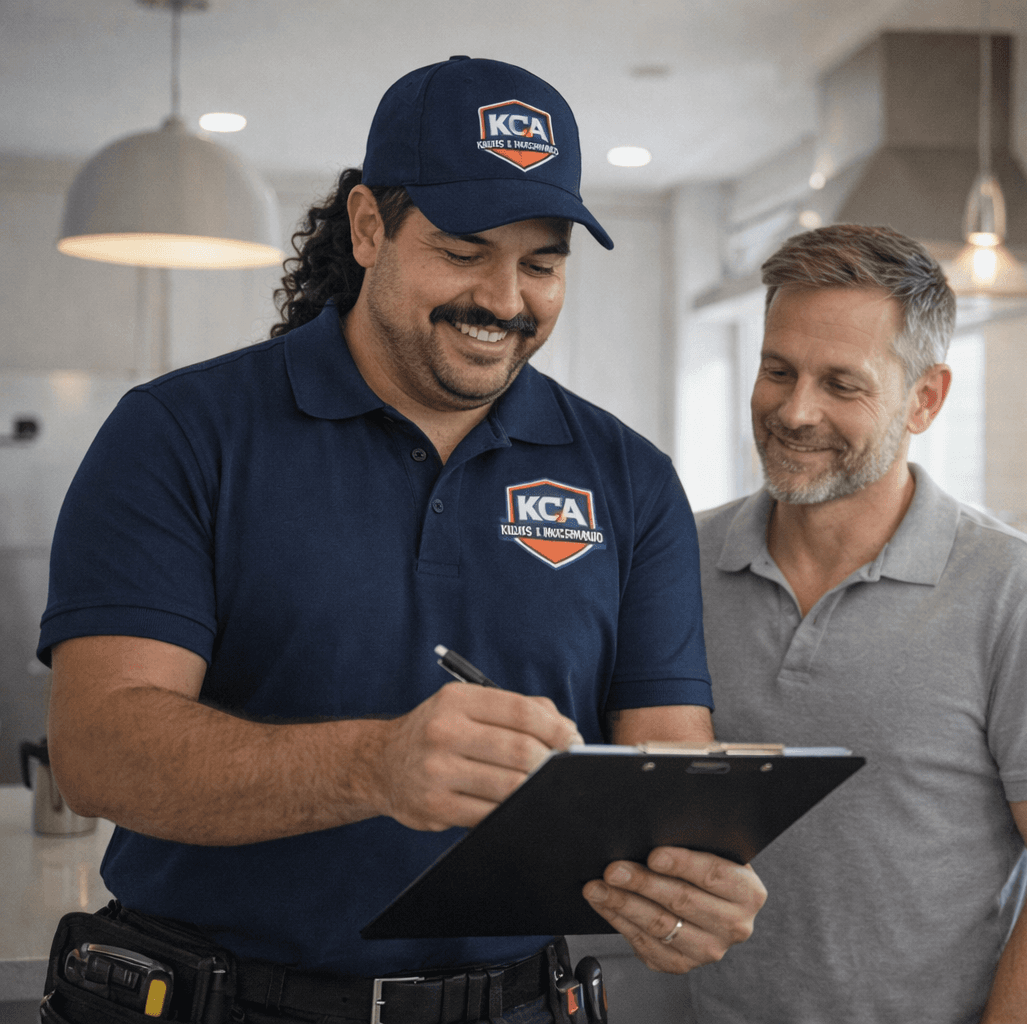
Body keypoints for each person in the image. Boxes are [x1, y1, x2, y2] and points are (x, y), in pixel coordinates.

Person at [39, 56, 763, 1024]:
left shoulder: (628, 476)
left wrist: (690, 883)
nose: (506, 299)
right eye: (465, 250)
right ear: (370, 226)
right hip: (211, 999)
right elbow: (95, 750)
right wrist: (372, 767)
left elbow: (665, 763)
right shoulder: (181, 431)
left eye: (542, 262)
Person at [686, 224, 1027, 1024]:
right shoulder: (677, 561)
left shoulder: (1017, 590)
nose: (795, 409)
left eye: (841, 384)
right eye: (776, 370)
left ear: (926, 397)